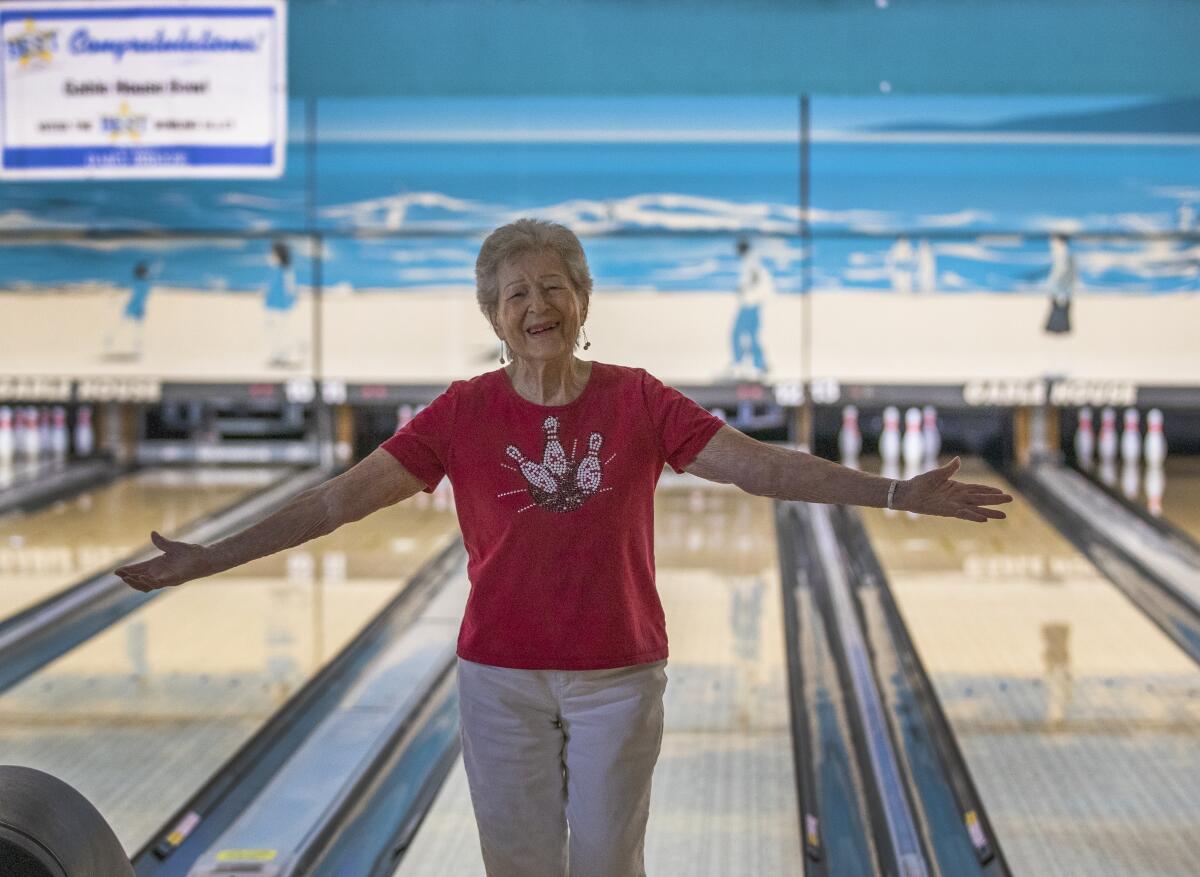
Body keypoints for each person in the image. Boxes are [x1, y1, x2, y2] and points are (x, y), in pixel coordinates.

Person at [114, 219, 1012, 877]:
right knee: (518, 868)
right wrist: (208, 556)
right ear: (495, 315)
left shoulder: (638, 399)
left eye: (554, 288)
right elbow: (338, 500)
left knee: (610, 866)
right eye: (518, 293)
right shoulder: (461, 412)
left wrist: (895, 491)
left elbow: (761, 467)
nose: (537, 305)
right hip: (498, 676)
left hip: (618, 673)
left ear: (583, 303)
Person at [729, 238, 774, 380]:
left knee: (737, 334)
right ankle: (759, 365)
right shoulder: (754, 261)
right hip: (753, 305)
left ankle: (739, 364)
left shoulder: (751, 263)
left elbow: (754, 283)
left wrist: (744, 291)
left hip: (750, 306)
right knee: (751, 336)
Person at [103, 261, 152, 359]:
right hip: (135, 306)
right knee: (130, 326)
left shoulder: (141, 283)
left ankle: (136, 347)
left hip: (136, 307)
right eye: (146, 272)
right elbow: (139, 295)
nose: (148, 273)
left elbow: (137, 294)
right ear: (143, 273)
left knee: (131, 326)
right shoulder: (144, 284)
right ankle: (111, 339)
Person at [264, 240, 300, 367]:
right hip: (271, 306)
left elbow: (290, 288)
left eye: (273, 253)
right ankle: (276, 356)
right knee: (273, 331)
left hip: (282, 307)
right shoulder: (274, 270)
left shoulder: (286, 271)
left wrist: (293, 301)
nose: (270, 256)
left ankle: (286, 357)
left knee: (283, 331)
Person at [1044, 232, 1075, 334]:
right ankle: (1059, 328)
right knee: (1059, 309)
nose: (1051, 243)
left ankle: (1058, 328)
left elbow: (1062, 270)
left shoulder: (1062, 252)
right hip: (1062, 287)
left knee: (1058, 309)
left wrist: (1054, 283)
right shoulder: (1063, 252)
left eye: (1053, 240)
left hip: (1061, 287)